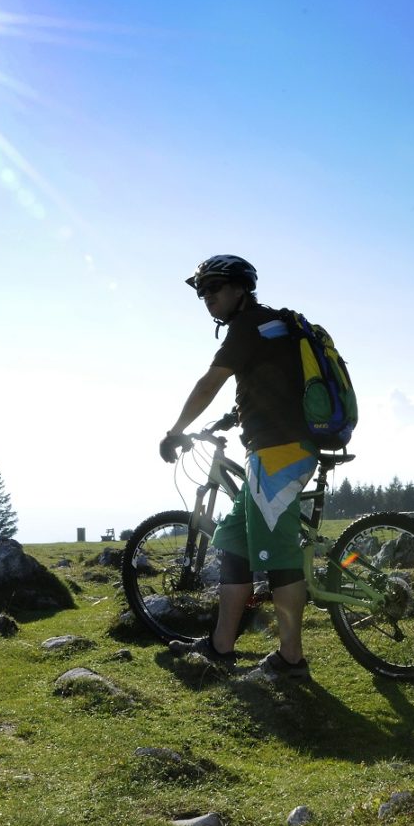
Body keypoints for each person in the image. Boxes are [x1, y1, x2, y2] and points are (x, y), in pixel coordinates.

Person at [159, 254, 318, 680]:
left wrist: (176, 430)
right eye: (202, 291)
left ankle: (291, 659)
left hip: (279, 454)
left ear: (240, 289)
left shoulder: (247, 327)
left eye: (215, 287)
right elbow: (270, 382)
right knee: (233, 542)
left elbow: (210, 382)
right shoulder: (272, 325)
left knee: (280, 557)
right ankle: (220, 646)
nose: (207, 297)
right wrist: (236, 417)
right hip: (270, 451)